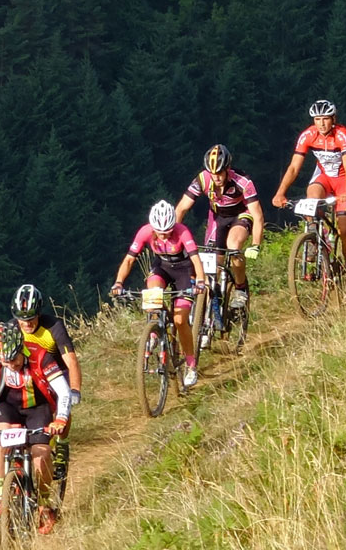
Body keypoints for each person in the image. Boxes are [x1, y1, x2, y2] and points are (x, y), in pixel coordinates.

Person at [0, 320, 71, 535]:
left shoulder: (41, 356)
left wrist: (60, 419)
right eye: (5, 361)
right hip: (7, 406)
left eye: (14, 359)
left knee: (41, 456)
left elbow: (64, 392)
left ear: (22, 348)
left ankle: (43, 503)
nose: (10, 365)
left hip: (37, 407)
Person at [110, 200, 207, 387]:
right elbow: (129, 260)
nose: (163, 235)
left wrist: (200, 280)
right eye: (159, 231)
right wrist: (119, 282)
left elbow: (195, 259)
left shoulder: (182, 232)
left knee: (180, 321)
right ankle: (155, 331)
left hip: (185, 271)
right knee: (153, 292)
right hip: (162, 267)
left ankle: (191, 365)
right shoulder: (145, 232)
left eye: (168, 231)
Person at [271, 99, 346, 278]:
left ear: (333, 119)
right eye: (317, 119)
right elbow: (294, 167)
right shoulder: (308, 135)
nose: (321, 123)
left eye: (325, 119)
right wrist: (280, 192)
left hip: (343, 179)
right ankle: (315, 235)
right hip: (324, 176)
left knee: (344, 229)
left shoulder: (342, 134)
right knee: (311, 196)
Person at [173, 144, 265, 310]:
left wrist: (256, 244)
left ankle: (240, 288)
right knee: (212, 265)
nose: (216, 177)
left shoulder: (243, 181)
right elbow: (181, 209)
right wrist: (174, 237)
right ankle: (213, 306)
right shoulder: (202, 179)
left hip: (241, 215)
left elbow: (258, 216)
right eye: (212, 173)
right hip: (218, 218)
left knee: (234, 246)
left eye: (220, 173)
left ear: (228, 169)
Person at [9, 284, 83, 406]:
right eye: (22, 319)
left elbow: (71, 361)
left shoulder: (54, 326)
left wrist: (75, 390)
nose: (27, 324)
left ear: (38, 313)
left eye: (31, 318)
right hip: (30, 375)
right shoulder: (11, 329)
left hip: (58, 373)